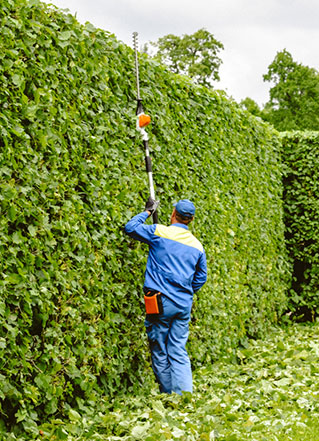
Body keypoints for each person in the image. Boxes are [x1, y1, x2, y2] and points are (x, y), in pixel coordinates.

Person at [124, 197, 207, 394]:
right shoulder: (197, 246)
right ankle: (184, 396)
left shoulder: (159, 232)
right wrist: (185, 291)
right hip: (183, 304)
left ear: (172, 214)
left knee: (159, 348)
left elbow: (130, 227)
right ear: (191, 220)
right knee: (178, 348)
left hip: (159, 302)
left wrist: (148, 212)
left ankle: (170, 395)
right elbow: (200, 278)